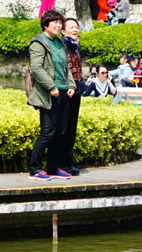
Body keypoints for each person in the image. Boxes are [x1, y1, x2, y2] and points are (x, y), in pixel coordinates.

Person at [27, 9, 76, 180]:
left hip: (63, 92)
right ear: (45, 24)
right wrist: (51, 86)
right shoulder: (39, 43)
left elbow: (66, 67)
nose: (58, 25)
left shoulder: (60, 43)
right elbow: (36, 69)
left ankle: (53, 168)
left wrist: (71, 84)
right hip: (49, 93)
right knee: (48, 132)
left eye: (60, 22)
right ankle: (35, 169)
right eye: (55, 22)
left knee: (60, 132)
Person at [60, 17, 85, 175]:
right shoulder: (61, 45)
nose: (75, 29)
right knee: (63, 128)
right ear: (63, 31)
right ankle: (60, 163)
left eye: (76, 27)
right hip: (65, 89)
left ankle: (68, 162)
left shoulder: (76, 46)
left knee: (71, 129)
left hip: (77, 89)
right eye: (71, 27)